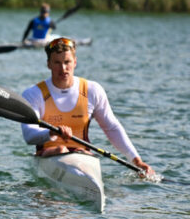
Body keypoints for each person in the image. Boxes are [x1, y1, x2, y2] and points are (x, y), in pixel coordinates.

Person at [20, 37, 153, 175]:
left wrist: (136, 161)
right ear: (49, 64)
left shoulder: (92, 90)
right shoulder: (34, 94)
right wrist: (51, 132)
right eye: (57, 63)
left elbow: (112, 127)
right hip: (48, 154)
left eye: (67, 62)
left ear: (75, 62)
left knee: (81, 152)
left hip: (82, 156)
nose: (63, 68)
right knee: (61, 150)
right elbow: (29, 135)